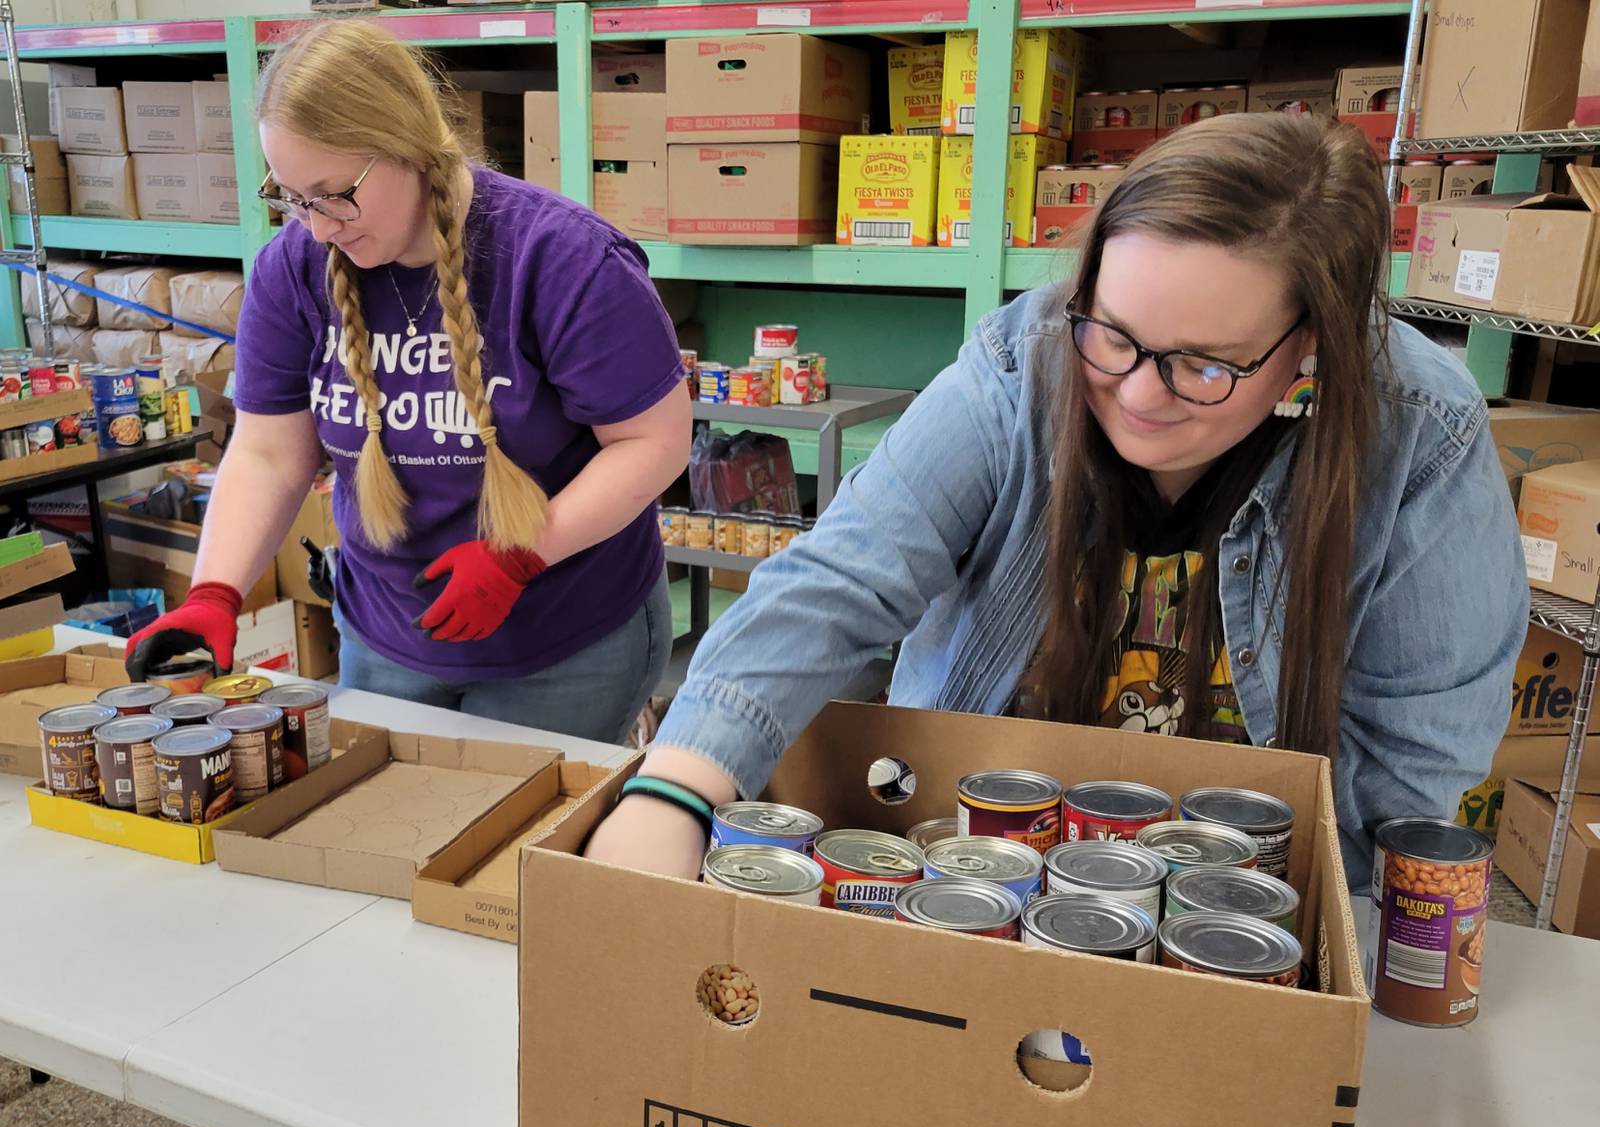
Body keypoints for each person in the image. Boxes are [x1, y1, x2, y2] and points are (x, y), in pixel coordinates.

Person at [584, 111, 1527, 890]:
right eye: (1112, 333)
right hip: (974, 865)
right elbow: (841, 580)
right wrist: (676, 791)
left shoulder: (1420, 432)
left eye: (1205, 365)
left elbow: (1410, 761)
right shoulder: (1021, 361)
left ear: (1309, 345)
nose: (1139, 394)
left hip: (1241, 904)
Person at [124, 20, 689, 745]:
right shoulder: (293, 269)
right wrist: (214, 594)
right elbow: (268, 453)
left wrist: (521, 555)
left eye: (333, 194)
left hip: (564, 638)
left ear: (410, 146)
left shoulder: (563, 259)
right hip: (386, 633)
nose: (317, 228)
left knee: (518, 816)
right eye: (292, 197)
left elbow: (653, 443)